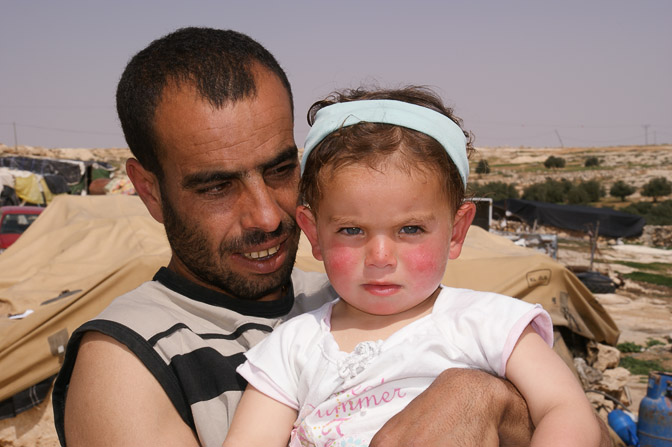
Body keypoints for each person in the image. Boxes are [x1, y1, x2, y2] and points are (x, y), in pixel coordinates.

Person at [50, 27, 610, 447]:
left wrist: (484, 400)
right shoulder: (132, 357)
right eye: (217, 186)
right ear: (148, 190)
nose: (270, 215)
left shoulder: (364, 296)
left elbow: (587, 427)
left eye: (279, 170)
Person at [222, 87, 603, 447]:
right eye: (352, 230)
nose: (381, 256)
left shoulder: (488, 322)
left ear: (456, 231)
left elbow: (566, 409)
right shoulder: (292, 345)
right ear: (314, 234)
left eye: (411, 229)